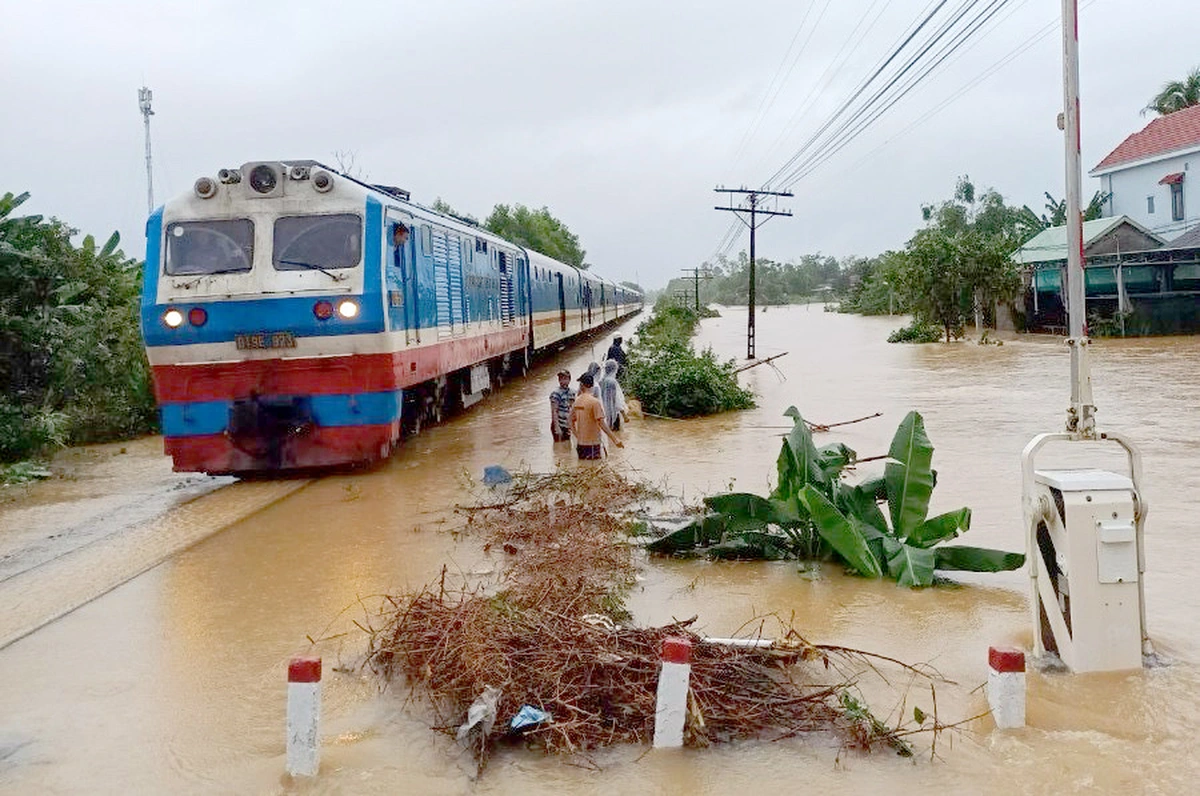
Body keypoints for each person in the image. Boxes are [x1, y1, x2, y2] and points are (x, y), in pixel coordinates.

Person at [570, 372, 623, 460]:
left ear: (582, 385)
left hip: (580, 445)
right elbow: (601, 423)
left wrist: (577, 435)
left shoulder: (577, 401)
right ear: (592, 385)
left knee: (583, 469)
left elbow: (570, 420)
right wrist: (615, 439)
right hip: (593, 445)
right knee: (594, 468)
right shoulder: (595, 402)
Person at [598, 359, 627, 431]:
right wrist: (624, 415)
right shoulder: (613, 382)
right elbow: (617, 400)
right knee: (616, 434)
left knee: (608, 433)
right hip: (614, 414)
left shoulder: (601, 381)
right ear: (614, 369)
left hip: (604, 412)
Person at [549, 369, 575, 442]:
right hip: (559, 424)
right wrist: (557, 427)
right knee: (559, 446)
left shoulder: (572, 392)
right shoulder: (555, 393)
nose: (562, 381)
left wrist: (572, 426)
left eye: (565, 378)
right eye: (560, 379)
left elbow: (572, 409)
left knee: (567, 446)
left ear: (569, 379)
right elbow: (554, 411)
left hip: (567, 424)